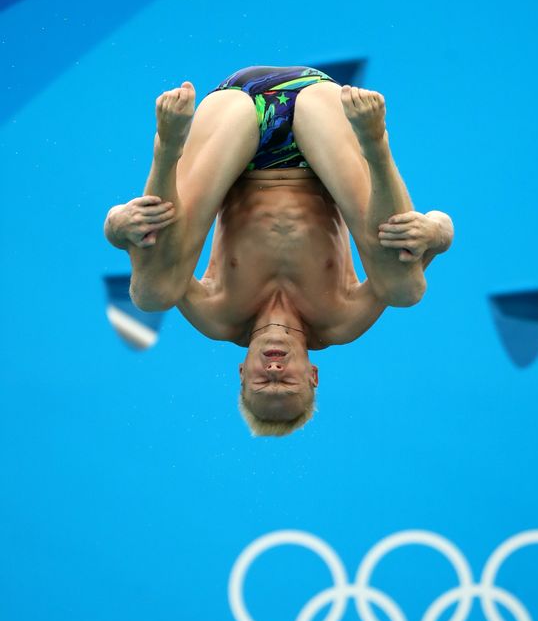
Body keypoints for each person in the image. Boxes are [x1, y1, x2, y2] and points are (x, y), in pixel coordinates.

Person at [104, 65, 454, 436]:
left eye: (262, 384)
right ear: (312, 375)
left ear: (241, 373)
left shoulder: (219, 314)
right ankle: (376, 144)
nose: (274, 372)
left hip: (232, 126)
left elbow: (149, 267)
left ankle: (167, 149)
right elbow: (431, 246)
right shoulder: (341, 319)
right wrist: (433, 229)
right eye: (287, 385)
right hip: (318, 120)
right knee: (404, 290)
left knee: (153, 295)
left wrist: (116, 226)